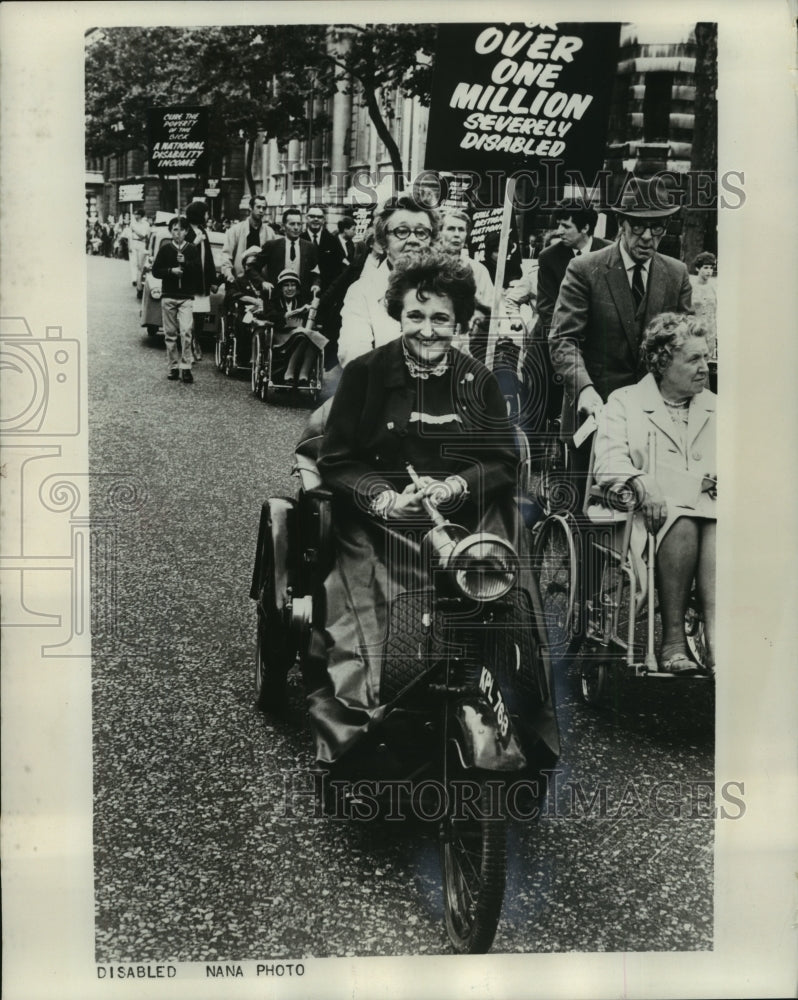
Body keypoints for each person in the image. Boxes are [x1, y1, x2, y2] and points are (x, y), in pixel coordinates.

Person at [303, 250, 559, 764]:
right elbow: (335, 461)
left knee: (510, 541)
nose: (426, 330)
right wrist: (385, 498)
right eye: (415, 316)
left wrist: (456, 488)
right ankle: (362, 721)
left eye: (441, 318)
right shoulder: (365, 374)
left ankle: (514, 700)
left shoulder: (478, 380)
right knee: (364, 597)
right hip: (382, 521)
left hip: (463, 519)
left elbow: (503, 462)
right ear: (398, 316)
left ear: (459, 323)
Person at [590, 313, 716, 673]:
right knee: (685, 520)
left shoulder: (718, 407)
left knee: (718, 527)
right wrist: (640, 480)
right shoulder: (624, 402)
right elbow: (609, 461)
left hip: (713, 513)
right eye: (693, 359)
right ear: (662, 362)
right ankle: (673, 640)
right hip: (643, 517)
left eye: (705, 357)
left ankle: (718, 643)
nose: (704, 368)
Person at [549, 176, 693, 444]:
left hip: (655, 422)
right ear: (621, 224)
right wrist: (584, 388)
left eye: (657, 227)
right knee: (588, 486)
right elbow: (563, 340)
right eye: (638, 226)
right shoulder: (584, 270)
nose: (648, 237)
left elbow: (687, 346)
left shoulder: (676, 274)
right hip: (595, 414)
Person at [336, 194, 438, 367]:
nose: (413, 240)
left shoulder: (446, 287)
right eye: (402, 231)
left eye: (421, 233)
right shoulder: (361, 291)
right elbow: (354, 355)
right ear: (383, 241)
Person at [152, 216, 200, 384]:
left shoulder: (192, 249)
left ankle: (186, 367)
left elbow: (198, 270)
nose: (178, 233)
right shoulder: (165, 249)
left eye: (181, 230)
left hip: (186, 297)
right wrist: (171, 271)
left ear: (186, 231)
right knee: (170, 333)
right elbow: (156, 271)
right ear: (170, 232)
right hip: (169, 295)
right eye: (174, 230)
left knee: (186, 330)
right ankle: (173, 366)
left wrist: (185, 263)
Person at [262, 269, 326, 387]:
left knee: (314, 337)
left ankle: (304, 372)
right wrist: (297, 312)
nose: (290, 288)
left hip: (299, 334)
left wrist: (312, 311)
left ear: (297, 288)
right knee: (304, 334)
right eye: (286, 285)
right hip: (280, 336)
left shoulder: (301, 301)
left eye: (293, 285)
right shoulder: (274, 301)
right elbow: (271, 315)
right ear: (281, 288)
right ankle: (290, 370)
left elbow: (311, 320)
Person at [256, 208, 320, 295]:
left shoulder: (309, 247)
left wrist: (316, 284)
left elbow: (316, 272)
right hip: (277, 298)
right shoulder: (272, 246)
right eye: (292, 224)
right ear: (283, 226)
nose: (296, 228)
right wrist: (263, 282)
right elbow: (252, 268)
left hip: (302, 298)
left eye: (299, 224)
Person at [185, 200, 218, 362]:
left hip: (203, 282)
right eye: (205, 213)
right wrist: (194, 243)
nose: (207, 216)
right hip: (190, 281)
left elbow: (209, 257)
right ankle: (189, 344)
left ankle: (196, 340)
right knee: (189, 316)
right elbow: (181, 253)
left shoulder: (203, 230)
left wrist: (213, 280)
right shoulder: (186, 230)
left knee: (200, 316)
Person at [219, 195, 276, 285]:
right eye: (258, 207)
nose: (261, 211)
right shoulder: (235, 230)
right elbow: (226, 256)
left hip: (262, 282)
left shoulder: (270, 232)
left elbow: (273, 260)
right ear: (250, 208)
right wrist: (229, 275)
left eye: (264, 208)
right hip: (239, 281)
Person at [300, 204, 339, 288]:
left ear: (324, 220)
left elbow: (336, 270)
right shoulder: (299, 239)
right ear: (306, 218)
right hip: (303, 290)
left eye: (319, 217)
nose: (316, 219)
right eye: (312, 216)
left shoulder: (332, 241)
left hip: (327, 292)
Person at [689, 251, 717, 360]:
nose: (709, 271)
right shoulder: (690, 287)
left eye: (710, 268)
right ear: (698, 269)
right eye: (705, 268)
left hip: (710, 333)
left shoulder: (713, 288)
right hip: (694, 332)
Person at [128, 208, 151, 287]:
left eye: (137, 214)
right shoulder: (132, 223)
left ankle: (139, 278)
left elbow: (143, 235)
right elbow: (129, 236)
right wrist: (129, 245)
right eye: (135, 214)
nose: (135, 215)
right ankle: (134, 279)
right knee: (133, 262)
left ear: (141, 215)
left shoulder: (146, 224)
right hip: (134, 242)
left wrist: (134, 230)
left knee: (140, 263)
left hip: (141, 243)